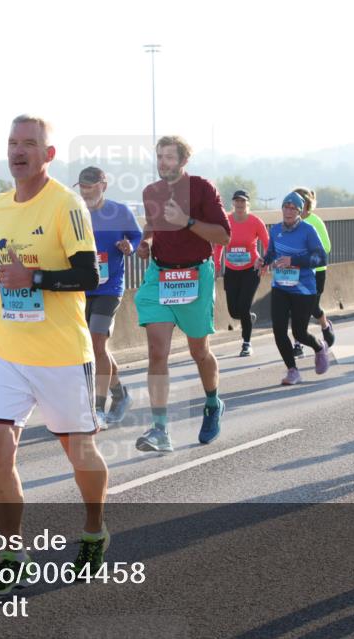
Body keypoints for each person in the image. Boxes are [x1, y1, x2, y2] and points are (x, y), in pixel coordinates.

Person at [0, 115, 108, 593]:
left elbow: (89, 276)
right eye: (12, 142)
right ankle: (14, 554)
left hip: (62, 354)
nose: (18, 151)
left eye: (29, 144)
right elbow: (8, 252)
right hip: (8, 349)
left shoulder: (66, 205)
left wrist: (36, 281)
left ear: (48, 154)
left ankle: (94, 529)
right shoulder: (0, 205)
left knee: (80, 453)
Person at [134, 135, 231, 452]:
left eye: (169, 158)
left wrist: (187, 221)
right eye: (159, 157)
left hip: (195, 275)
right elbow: (152, 224)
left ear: (183, 161)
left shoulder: (202, 188)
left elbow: (223, 236)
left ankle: (213, 402)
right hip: (160, 275)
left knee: (199, 351)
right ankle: (160, 430)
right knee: (157, 351)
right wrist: (146, 242)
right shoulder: (151, 192)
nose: (163, 163)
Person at [76, 165, 143, 427]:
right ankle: (121, 395)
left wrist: (130, 246)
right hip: (81, 289)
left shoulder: (120, 211)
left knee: (96, 344)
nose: (85, 191)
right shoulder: (76, 213)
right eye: (82, 187)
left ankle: (97, 408)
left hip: (110, 288)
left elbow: (136, 237)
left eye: (90, 187)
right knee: (95, 348)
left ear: (103, 185)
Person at [259, 192, 330, 385]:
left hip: (304, 290)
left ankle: (319, 347)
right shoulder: (275, 230)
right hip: (280, 286)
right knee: (279, 330)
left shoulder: (308, 231)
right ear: (281, 209)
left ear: (299, 212)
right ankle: (292, 370)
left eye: (293, 208)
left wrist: (294, 260)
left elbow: (321, 258)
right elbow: (272, 252)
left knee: (299, 333)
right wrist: (264, 261)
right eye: (286, 207)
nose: (288, 211)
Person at [222, 189, 268, 357]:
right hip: (231, 270)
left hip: (251, 269)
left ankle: (246, 343)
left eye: (243, 202)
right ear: (233, 203)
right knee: (234, 311)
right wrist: (216, 264)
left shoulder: (256, 222)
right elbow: (219, 243)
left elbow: (267, 243)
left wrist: (265, 262)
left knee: (243, 305)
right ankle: (248, 317)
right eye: (237, 202)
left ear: (247, 204)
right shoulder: (226, 221)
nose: (240, 205)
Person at [292, 187, 335, 356]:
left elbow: (326, 247)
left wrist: (305, 256)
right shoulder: (290, 222)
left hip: (316, 271)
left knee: (312, 307)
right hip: (295, 272)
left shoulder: (315, 222)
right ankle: (297, 343)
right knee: (295, 307)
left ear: (306, 204)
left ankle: (324, 324)